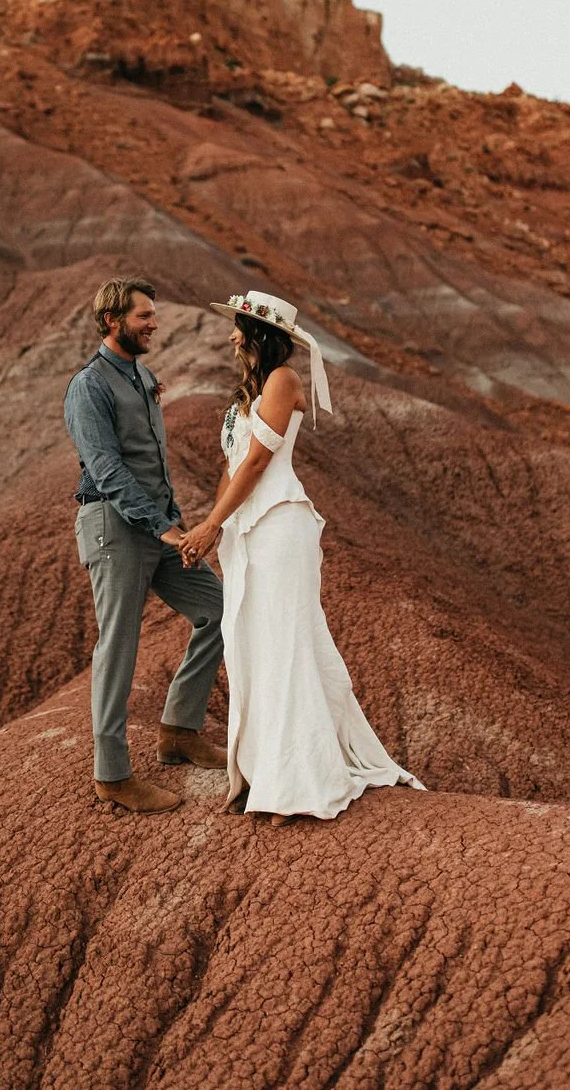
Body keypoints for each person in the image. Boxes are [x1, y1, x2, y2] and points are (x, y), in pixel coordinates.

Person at [180, 290, 426, 825]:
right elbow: (232, 468)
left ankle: (296, 779)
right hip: (247, 533)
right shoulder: (249, 390)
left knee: (284, 644)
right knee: (251, 645)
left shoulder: (282, 380)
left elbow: (257, 465)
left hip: (280, 529)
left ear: (257, 333)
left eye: (237, 327)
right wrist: (213, 527)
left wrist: (208, 524)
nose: (230, 336)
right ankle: (264, 770)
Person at [64, 276, 226, 813]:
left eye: (152, 314)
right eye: (143, 316)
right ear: (112, 322)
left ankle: (179, 731)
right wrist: (164, 528)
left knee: (219, 610)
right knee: (119, 643)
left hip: (158, 524)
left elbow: (153, 461)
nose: (154, 322)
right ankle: (112, 775)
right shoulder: (88, 386)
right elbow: (106, 468)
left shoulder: (144, 375)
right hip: (115, 527)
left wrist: (171, 521)